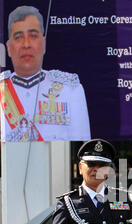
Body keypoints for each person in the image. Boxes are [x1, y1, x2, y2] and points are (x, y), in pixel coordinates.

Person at [0, 5, 91, 142]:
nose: (26, 44)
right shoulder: (2, 89)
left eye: (33, 36)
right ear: (8, 47)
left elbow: (81, 149)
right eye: (18, 37)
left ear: (44, 44)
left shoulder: (71, 90)